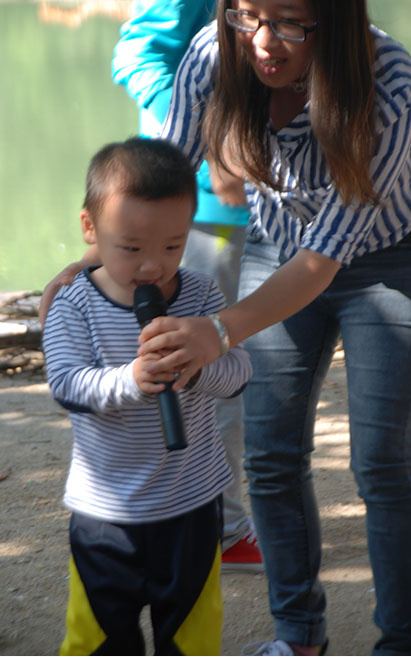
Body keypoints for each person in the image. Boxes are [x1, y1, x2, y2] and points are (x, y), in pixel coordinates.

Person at [134, 1, 411, 655]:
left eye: (288, 21)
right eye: (247, 15)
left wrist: (217, 330)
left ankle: (400, 641)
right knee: (272, 455)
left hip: (389, 253)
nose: (263, 41)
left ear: (331, 18)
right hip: (281, 239)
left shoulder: (386, 80)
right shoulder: (215, 54)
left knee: (381, 459)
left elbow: (321, 261)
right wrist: (97, 255)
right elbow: (159, 180)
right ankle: (298, 635)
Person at [42, 137, 252, 656]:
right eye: (131, 248)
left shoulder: (202, 295)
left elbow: (239, 373)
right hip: (105, 514)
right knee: (99, 638)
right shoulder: (74, 307)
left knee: (191, 636)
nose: (152, 266)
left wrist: (201, 367)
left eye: (172, 247)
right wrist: (131, 380)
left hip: (194, 506)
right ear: (90, 229)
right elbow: (67, 384)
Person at [111, 0, 264, 571]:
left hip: (275, 209)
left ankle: (219, 518)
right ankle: (222, 528)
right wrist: (215, 142)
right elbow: (136, 54)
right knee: (204, 358)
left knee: (245, 366)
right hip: (204, 210)